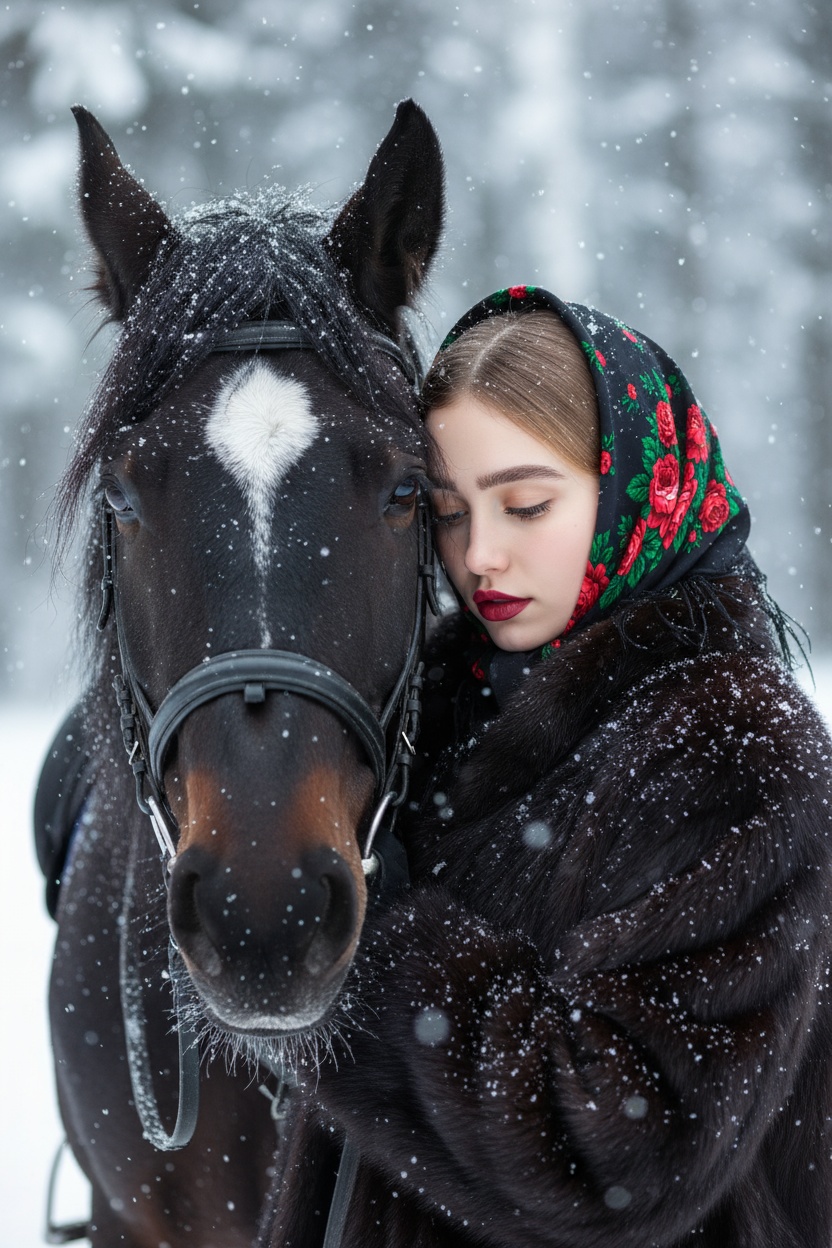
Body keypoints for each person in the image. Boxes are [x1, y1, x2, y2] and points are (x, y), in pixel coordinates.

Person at [275, 285, 832, 1247]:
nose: (480, 555)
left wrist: (373, 953)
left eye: (526, 504)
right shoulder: (439, 719)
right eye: (447, 513)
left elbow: (622, 1156)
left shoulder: (731, 751)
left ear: (629, 490)